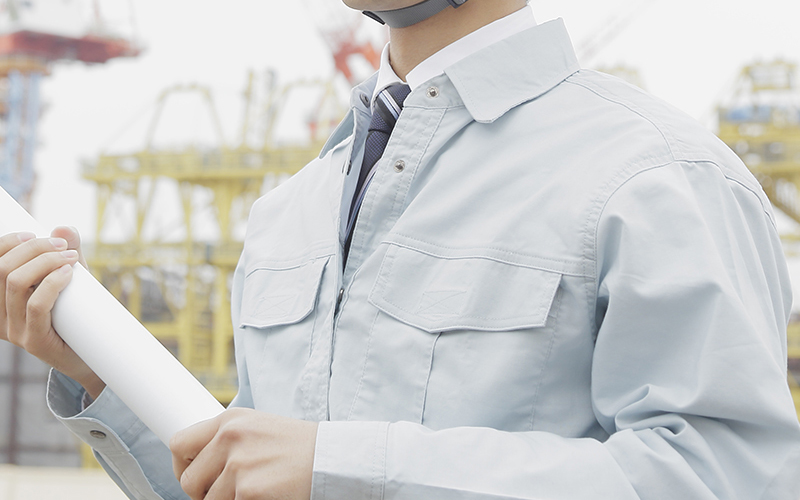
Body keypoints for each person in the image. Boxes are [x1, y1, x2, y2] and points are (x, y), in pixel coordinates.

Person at [2, 0, 800, 498]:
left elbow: (724, 480)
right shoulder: (292, 208)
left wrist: (343, 469)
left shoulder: (657, 176)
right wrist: (98, 368)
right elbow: (246, 480)